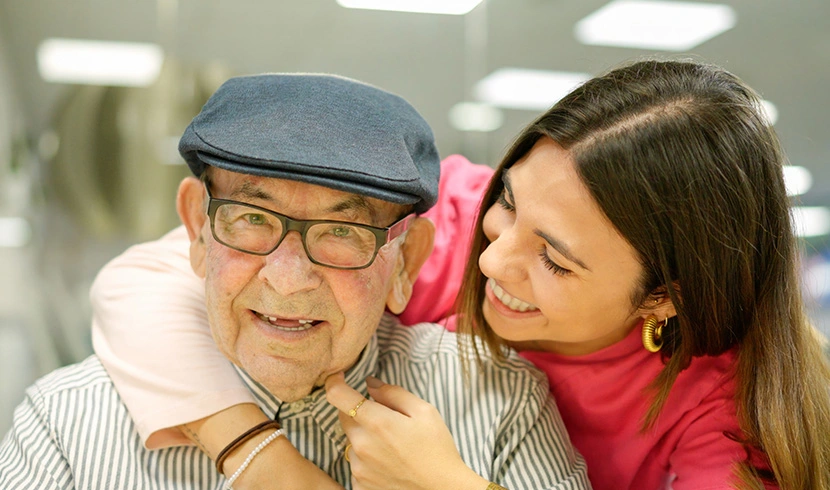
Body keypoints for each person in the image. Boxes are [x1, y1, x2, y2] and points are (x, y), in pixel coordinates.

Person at [64, 58, 830, 489]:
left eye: (554, 259)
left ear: (663, 297)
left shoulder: (722, 414)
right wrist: (263, 461)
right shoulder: (447, 229)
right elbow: (140, 281)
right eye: (511, 203)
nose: (493, 261)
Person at [0, 73, 591, 490]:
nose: (287, 281)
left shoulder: (498, 404)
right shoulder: (69, 424)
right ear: (197, 232)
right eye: (251, 219)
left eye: (342, 231)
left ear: (405, 260)